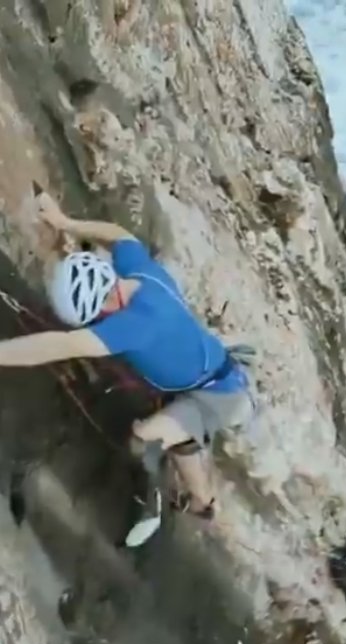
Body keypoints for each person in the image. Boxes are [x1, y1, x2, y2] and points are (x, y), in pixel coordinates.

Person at [0, 192, 254, 546]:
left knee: (144, 435)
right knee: (174, 423)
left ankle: (188, 499)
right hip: (206, 366)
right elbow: (119, 235)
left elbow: (56, 346)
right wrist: (64, 222)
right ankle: (194, 472)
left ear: (102, 307)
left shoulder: (134, 327)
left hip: (217, 394)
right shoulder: (141, 275)